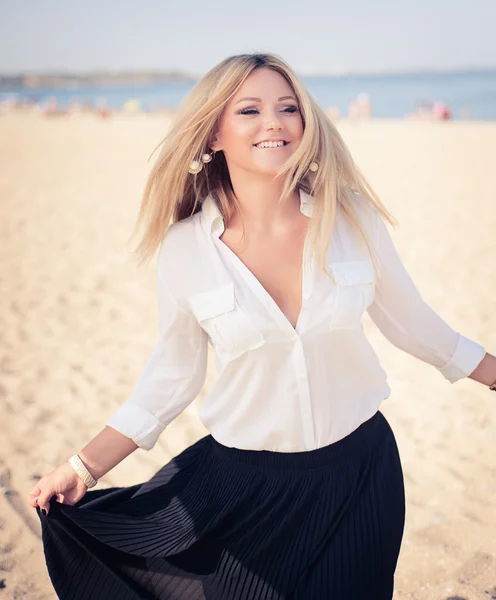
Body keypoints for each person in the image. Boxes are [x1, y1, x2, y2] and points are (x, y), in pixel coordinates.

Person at [28, 53, 496, 600]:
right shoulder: (184, 250)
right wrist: (81, 468)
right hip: (245, 490)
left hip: (361, 477)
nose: (273, 121)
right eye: (249, 109)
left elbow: (415, 326)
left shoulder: (351, 219)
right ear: (212, 135)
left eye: (287, 107)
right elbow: (170, 380)